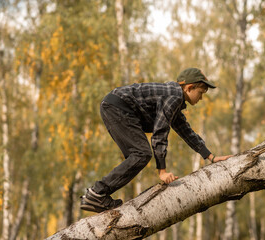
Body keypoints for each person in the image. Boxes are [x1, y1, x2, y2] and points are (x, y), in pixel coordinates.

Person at [80, 67, 232, 213]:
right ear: (189, 88)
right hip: (118, 107)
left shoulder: (174, 98)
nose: (201, 98)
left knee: (138, 155)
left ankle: (98, 195)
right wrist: (162, 171)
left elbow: (186, 131)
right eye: (201, 93)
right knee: (141, 154)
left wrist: (211, 157)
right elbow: (160, 131)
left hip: (114, 105)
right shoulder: (174, 96)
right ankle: (97, 194)